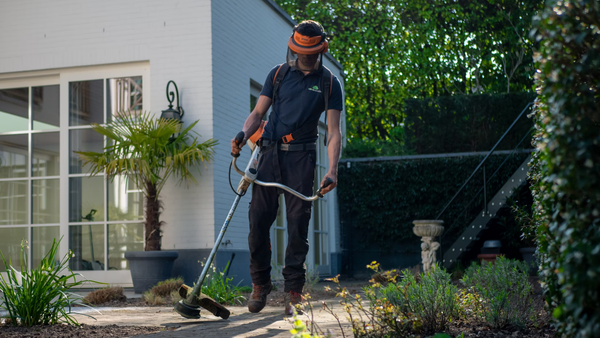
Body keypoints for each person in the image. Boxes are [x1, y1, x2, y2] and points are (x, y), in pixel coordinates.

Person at [230, 20, 343, 315]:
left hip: (300, 160)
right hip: (267, 156)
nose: (301, 57)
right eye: (297, 51)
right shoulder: (278, 74)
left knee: (297, 227)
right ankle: (260, 284)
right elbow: (258, 113)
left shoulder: (330, 83)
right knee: (257, 223)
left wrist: (332, 170)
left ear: (320, 50)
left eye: (308, 53)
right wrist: (243, 135)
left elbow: (333, 132)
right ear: (292, 48)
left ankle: (293, 292)